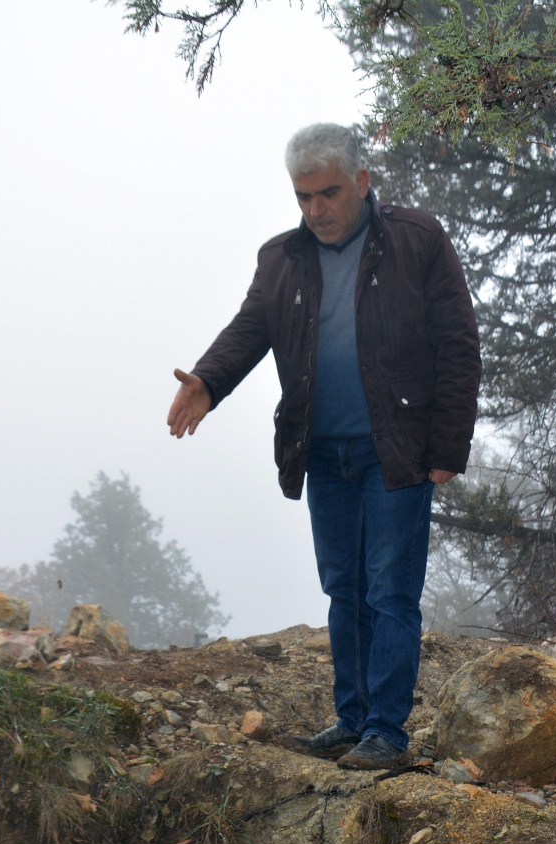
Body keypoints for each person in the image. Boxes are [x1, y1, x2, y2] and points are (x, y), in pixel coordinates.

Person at [167, 123, 481, 771]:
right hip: (323, 451)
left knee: (390, 590)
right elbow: (250, 327)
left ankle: (387, 732)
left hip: (396, 449)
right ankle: (352, 718)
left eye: (328, 193)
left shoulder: (417, 240)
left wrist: (449, 443)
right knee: (344, 587)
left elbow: (458, 343)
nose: (316, 209)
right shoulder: (280, 258)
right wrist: (208, 379)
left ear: (363, 182)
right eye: (303, 196)